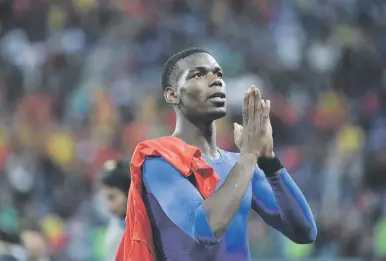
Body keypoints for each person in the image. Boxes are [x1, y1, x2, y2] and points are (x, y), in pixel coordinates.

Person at [116, 47, 317, 261]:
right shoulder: (159, 160)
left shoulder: (237, 165)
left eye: (218, 74)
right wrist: (249, 156)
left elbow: (304, 232)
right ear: (172, 94)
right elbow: (206, 229)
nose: (215, 80)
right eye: (199, 74)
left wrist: (268, 160)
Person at [98, 160, 130, 261]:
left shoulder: (153, 224)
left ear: (129, 193)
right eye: (106, 199)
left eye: (112, 197)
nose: (109, 207)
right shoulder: (114, 231)